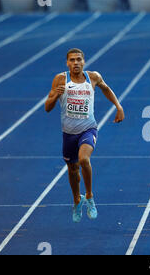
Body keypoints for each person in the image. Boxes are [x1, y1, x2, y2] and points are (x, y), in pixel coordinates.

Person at [45, 48, 125, 223]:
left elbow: (106, 88)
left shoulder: (93, 77)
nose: (75, 63)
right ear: (67, 63)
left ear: (84, 61)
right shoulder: (60, 79)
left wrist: (118, 107)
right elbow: (47, 107)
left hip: (88, 129)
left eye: (78, 59)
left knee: (84, 160)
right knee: (72, 170)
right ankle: (76, 199)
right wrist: (55, 96)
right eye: (72, 60)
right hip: (68, 134)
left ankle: (89, 195)